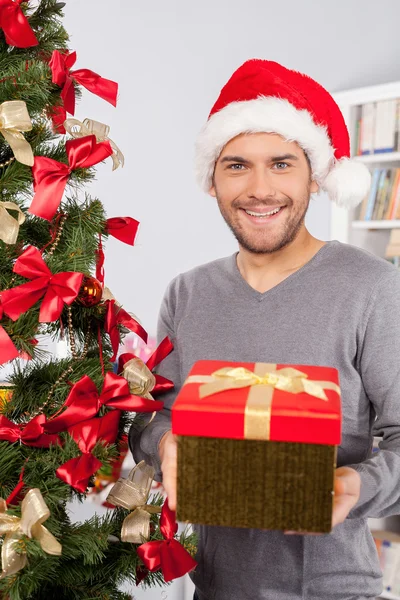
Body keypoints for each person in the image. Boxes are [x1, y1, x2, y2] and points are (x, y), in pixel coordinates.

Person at [129, 59, 400, 600]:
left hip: (334, 590)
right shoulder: (187, 293)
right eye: (236, 166)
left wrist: (352, 486)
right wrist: (166, 446)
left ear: (313, 175)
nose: (259, 189)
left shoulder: (373, 288)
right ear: (213, 179)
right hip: (213, 588)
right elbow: (148, 420)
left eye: (281, 163)